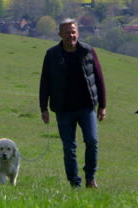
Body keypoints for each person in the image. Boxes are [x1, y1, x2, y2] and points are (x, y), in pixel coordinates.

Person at [39, 18, 106, 188]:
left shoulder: (88, 51)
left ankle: (90, 178)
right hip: (63, 109)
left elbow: (99, 78)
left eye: (73, 31)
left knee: (92, 141)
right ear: (60, 35)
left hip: (86, 107)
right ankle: (74, 183)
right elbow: (45, 82)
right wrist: (43, 108)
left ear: (78, 33)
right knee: (69, 148)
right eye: (67, 32)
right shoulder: (52, 55)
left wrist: (103, 106)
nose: (71, 35)